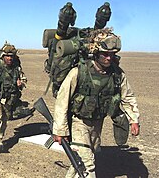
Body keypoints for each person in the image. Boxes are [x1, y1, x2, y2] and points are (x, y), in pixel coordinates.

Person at [52, 30, 140, 177]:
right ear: (96, 52)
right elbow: (62, 101)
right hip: (79, 123)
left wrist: (134, 120)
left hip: (97, 124)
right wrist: (60, 130)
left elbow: (127, 97)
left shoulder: (117, 75)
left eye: (112, 54)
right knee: (88, 165)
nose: (109, 58)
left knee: (78, 163)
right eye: (105, 54)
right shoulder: (79, 72)